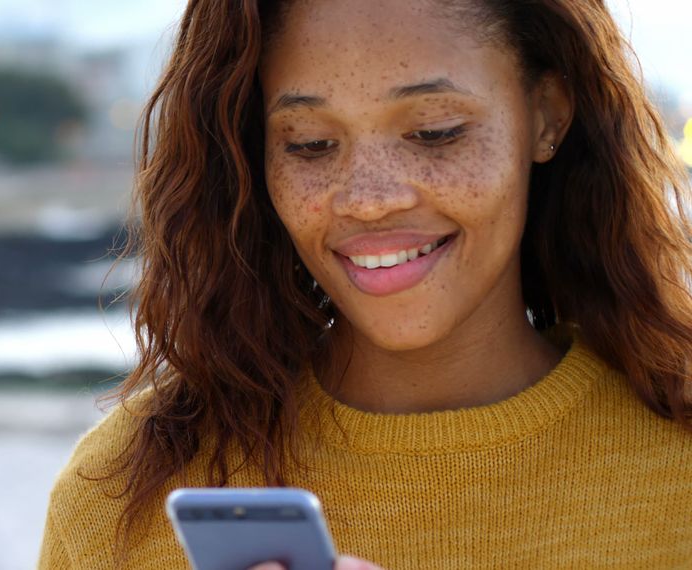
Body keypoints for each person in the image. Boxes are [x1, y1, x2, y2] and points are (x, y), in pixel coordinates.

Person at [39, 0, 692, 567]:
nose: (370, 200)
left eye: (436, 133)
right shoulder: (118, 497)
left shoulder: (675, 467)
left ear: (547, 115)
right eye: (310, 144)